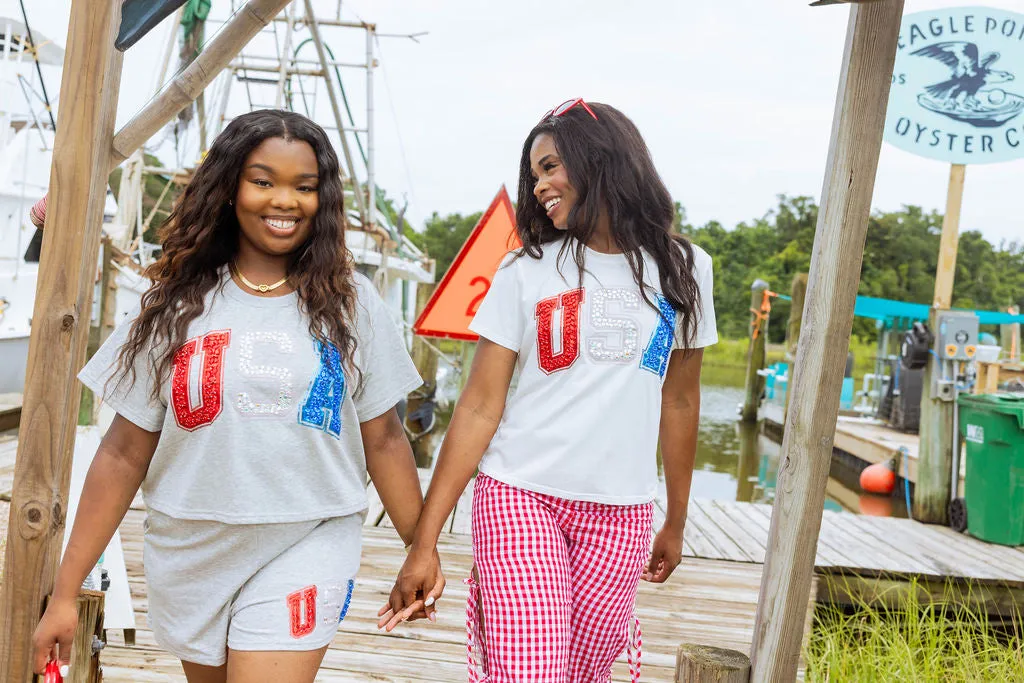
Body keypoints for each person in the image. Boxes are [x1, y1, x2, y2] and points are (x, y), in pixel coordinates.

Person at [31, 109, 443, 683]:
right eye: (263, 180)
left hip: (308, 535)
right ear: (229, 189)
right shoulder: (171, 304)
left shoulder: (352, 302)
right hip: (191, 547)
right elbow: (123, 452)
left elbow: (385, 435)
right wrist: (66, 592)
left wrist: (419, 547)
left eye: (305, 186)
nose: (286, 200)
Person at [379, 99, 718, 682]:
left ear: (602, 159)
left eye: (552, 166)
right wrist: (424, 542)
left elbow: (680, 400)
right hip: (520, 494)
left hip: (621, 512)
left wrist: (677, 520)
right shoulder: (526, 270)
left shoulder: (685, 268)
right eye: (534, 173)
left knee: (586, 673)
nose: (539, 186)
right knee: (529, 671)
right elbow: (481, 406)